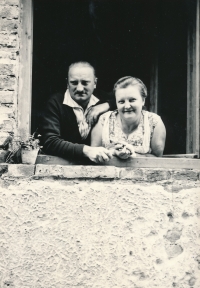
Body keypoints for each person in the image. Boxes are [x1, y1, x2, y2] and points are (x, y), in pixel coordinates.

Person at [40, 61, 116, 163]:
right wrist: (87, 150)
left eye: (85, 83)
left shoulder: (103, 98)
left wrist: (107, 105)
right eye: (74, 83)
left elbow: (137, 103)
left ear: (95, 83)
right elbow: (50, 141)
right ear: (67, 83)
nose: (80, 88)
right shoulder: (55, 102)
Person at [91, 76, 166, 158]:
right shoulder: (104, 120)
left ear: (143, 100)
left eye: (132, 100)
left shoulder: (154, 122)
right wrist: (113, 152)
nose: (127, 106)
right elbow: (94, 154)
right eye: (121, 101)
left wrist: (133, 156)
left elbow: (158, 159)